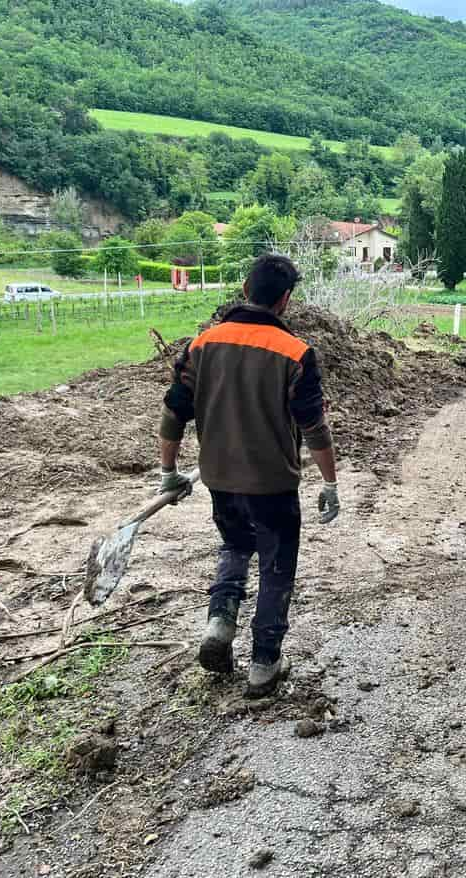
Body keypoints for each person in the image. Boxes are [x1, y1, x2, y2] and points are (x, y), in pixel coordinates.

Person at [158, 252, 340, 698]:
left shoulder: (203, 344)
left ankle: (220, 623)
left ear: (245, 290)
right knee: (276, 565)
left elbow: (173, 412)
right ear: (285, 301)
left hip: (219, 478)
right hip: (273, 484)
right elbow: (314, 427)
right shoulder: (295, 353)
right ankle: (264, 664)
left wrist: (168, 472)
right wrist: (330, 484)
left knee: (235, 546)